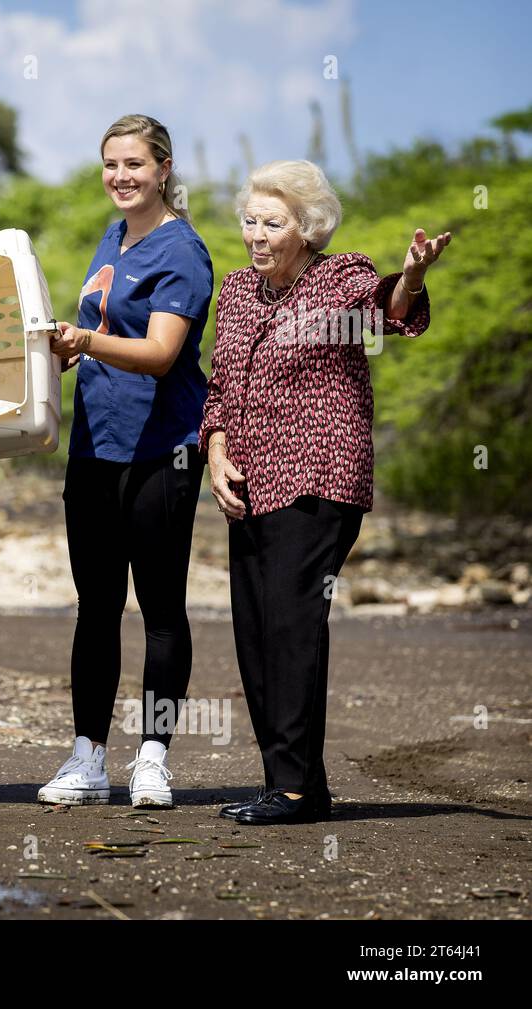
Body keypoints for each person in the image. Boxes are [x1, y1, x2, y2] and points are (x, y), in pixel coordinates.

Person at [203, 159, 450, 825]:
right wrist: (217, 453)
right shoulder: (235, 291)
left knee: (291, 623)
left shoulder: (341, 276)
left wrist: (415, 275)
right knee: (256, 631)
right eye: (250, 220)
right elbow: (221, 387)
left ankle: (293, 791)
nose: (256, 234)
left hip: (319, 476)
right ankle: (293, 783)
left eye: (272, 223)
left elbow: (388, 311)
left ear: (308, 228)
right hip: (249, 481)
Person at [41, 114, 214, 808]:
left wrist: (85, 337)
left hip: (162, 452)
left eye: (135, 164)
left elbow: (160, 354)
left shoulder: (183, 251)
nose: (121, 176)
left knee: (163, 608)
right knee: (96, 606)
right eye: (111, 164)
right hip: (95, 449)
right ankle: (87, 757)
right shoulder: (111, 238)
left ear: (164, 168)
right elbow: (104, 338)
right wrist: (60, 350)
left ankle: (153, 757)